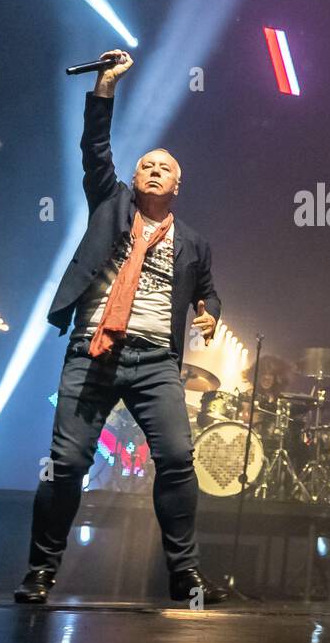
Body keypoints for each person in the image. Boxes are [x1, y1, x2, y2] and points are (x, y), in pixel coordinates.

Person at [15, 50, 228, 606]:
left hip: (156, 360)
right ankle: (40, 571)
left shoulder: (195, 242)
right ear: (134, 179)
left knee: (179, 459)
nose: (154, 170)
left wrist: (210, 310)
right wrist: (106, 87)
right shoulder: (111, 204)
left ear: (178, 185)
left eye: (165, 167)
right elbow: (94, 149)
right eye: (147, 165)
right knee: (66, 464)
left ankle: (185, 574)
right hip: (94, 350)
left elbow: (207, 290)